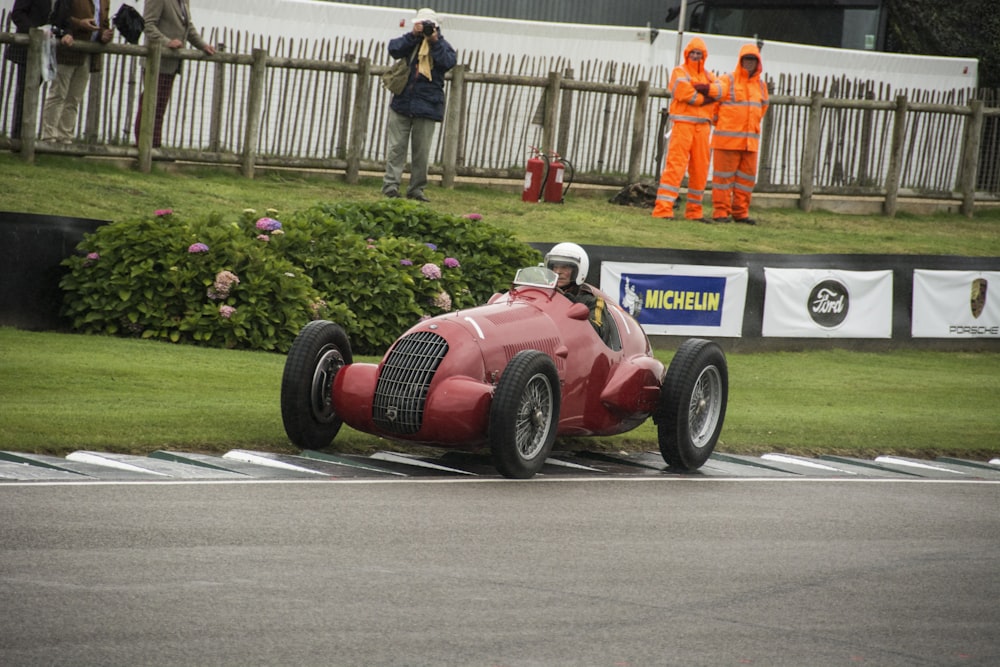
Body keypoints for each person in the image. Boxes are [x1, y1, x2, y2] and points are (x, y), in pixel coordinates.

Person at [381, 7, 456, 202]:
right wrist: (412, 35)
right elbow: (393, 49)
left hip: (427, 106)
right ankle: (390, 186)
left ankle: (416, 189)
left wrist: (434, 41)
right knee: (396, 148)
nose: (425, 29)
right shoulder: (410, 42)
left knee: (421, 152)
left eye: (428, 26)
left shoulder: (442, 45)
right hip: (402, 102)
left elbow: (448, 62)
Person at [652, 37, 720, 222]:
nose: (696, 56)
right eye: (693, 53)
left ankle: (694, 212)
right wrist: (706, 97)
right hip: (683, 126)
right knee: (675, 167)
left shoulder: (709, 76)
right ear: (687, 54)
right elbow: (684, 93)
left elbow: (721, 91)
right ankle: (663, 209)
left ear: (704, 56)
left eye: (699, 53)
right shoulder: (679, 71)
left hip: (703, 128)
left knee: (700, 170)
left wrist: (703, 89)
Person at [135, 0, 215, 148]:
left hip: (171, 63)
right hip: (156, 59)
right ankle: (143, 144)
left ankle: (154, 145)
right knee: (150, 102)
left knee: (160, 105)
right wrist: (167, 42)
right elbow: (148, 25)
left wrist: (204, 45)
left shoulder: (183, 1)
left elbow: (188, 28)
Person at [710, 43, 769, 225]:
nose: (749, 63)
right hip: (727, 142)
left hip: (749, 143)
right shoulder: (727, 80)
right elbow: (713, 107)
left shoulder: (760, 85)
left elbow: (763, 108)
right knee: (723, 180)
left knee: (746, 181)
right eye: (746, 59)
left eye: (753, 59)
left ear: (758, 62)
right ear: (740, 60)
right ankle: (721, 213)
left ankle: (740, 213)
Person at [42, 0, 113, 143]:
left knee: (74, 98)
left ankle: (65, 136)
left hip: (87, 52)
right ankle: (48, 136)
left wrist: (103, 35)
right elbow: (58, 18)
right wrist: (80, 24)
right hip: (68, 49)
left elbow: (103, 25)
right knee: (58, 94)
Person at [544, 242, 612, 343]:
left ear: (578, 271)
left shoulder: (593, 301)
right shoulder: (543, 295)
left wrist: (569, 302)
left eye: (564, 267)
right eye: (555, 267)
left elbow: (598, 331)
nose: (558, 271)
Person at [6, 0, 51, 140]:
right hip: (27, 49)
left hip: (48, 49)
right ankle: (18, 137)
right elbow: (18, 14)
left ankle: (28, 136)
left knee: (34, 91)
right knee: (25, 93)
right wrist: (35, 31)